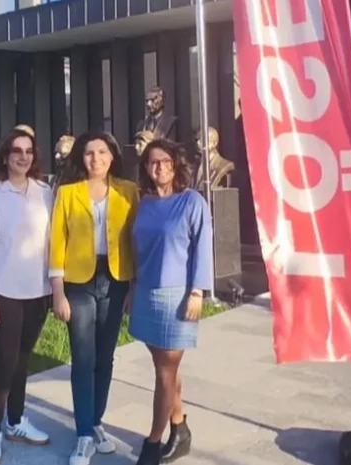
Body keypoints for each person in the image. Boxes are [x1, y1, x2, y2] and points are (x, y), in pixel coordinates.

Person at [49, 131, 139, 465]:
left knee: (106, 356)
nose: (96, 159)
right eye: (89, 153)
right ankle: (84, 434)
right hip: (78, 282)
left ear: (112, 156)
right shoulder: (68, 192)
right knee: (83, 357)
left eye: (102, 152)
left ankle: (95, 421)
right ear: (81, 158)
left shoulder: (128, 191)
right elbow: (56, 242)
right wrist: (58, 291)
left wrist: (134, 287)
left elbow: (135, 241)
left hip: (115, 281)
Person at [129, 139, 213, 465]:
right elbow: (137, 249)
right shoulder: (144, 204)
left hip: (177, 297)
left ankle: (152, 443)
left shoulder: (192, 201)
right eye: (153, 162)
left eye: (166, 161)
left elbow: (203, 247)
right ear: (146, 168)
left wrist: (198, 292)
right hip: (146, 293)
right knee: (164, 368)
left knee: (165, 373)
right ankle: (179, 427)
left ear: (176, 164)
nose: (160, 167)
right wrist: (133, 288)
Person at [0, 128, 53, 465]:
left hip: (39, 293)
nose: (23, 156)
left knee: (22, 360)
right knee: (4, 362)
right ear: (5, 157)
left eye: (29, 151)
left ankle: (16, 421)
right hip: (4, 293)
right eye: (17, 151)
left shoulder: (46, 193)